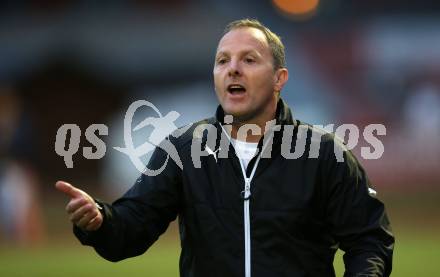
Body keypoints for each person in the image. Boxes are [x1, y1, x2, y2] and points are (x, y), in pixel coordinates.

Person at [56, 19, 394, 276]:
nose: (232, 68)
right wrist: (101, 221)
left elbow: (369, 239)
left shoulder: (324, 154)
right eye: (223, 61)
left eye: (249, 59)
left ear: (279, 78)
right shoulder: (183, 151)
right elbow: (133, 228)